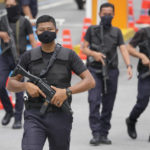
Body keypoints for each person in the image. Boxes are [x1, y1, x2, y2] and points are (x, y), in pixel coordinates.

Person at [7, 15, 95, 150]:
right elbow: (10, 84)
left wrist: (67, 92)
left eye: (50, 29)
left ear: (57, 31)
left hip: (60, 115)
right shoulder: (28, 56)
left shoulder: (69, 55)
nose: (46, 32)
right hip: (34, 114)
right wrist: (25, 85)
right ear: (36, 32)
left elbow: (90, 81)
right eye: (41, 30)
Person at [82, 2, 133, 145]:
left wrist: (129, 65)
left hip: (111, 71)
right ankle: (96, 133)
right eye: (104, 14)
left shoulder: (116, 32)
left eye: (110, 14)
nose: (107, 16)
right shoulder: (92, 30)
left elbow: (123, 49)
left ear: (114, 15)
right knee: (94, 101)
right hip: (94, 70)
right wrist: (94, 54)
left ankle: (104, 133)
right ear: (99, 14)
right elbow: (83, 48)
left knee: (108, 104)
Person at [0, 0, 37, 129]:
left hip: (20, 57)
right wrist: (1, 34)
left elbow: (32, 40)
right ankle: (9, 111)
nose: (9, 8)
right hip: (5, 57)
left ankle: (17, 118)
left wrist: (37, 58)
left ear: (18, 6)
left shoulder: (24, 21)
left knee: (19, 89)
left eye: (12, 6)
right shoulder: (2, 20)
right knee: (0, 85)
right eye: (7, 6)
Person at [126, 25, 150, 140]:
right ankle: (131, 120)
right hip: (146, 73)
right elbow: (129, 48)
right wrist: (142, 56)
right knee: (142, 101)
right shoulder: (143, 32)